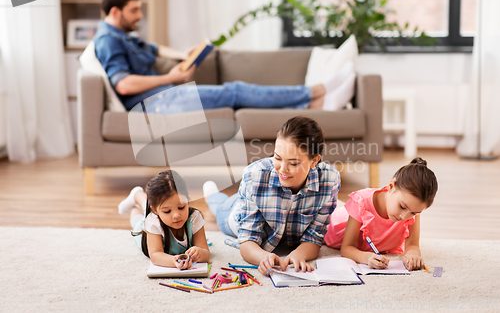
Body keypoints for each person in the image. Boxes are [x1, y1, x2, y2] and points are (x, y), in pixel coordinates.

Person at [93, 0, 352, 114]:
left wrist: (184, 56)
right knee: (235, 91)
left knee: (236, 92)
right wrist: (171, 77)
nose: (140, 15)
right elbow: (124, 85)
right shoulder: (108, 40)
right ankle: (316, 91)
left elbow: (154, 48)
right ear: (116, 12)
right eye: (134, 10)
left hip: (164, 95)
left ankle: (312, 104)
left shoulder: (124, 35)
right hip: (156, 103)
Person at [204, 116, 341, 276]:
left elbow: (315, 237)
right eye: (277, 158)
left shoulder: (330, 180)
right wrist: (264, 257)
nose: (283, 169)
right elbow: (247, 242)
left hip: (263, 200)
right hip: (236, 212)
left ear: (314, 161)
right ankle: (212, 194)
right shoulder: (254, 175)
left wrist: (299, 254)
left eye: (294, 163)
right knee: (221, 207)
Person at [324, 157, 438, 271]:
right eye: (402, 207)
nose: (404, 216)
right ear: (391, 186)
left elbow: (413, 244)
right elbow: (347, 248)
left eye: (413, 213)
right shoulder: (361, 201)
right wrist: (366, 257)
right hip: (334, 227)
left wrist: (413, 255)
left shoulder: (411, 207)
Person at [118, 170, 210, 269]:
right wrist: (173, 261)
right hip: (143, 230)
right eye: (167, 211)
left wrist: (200, 253)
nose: (176, 215)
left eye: (181, 207)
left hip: (159, 212)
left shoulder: (194, 217)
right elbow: (155, 255)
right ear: (155, 211)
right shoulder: (152, 222)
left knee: (154, 207)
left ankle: (138, 200)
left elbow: (206, 252)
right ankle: (136, 195)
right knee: (138, 221)